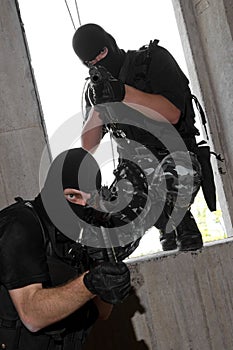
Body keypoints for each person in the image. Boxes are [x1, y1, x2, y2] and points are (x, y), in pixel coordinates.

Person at [72, 23, 205, 252]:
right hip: (134, 174)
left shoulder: (151, 61)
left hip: (175, 159)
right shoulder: (95, 88)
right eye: (89, 63)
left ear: (110, 44)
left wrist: (123, 93)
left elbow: (173, 114)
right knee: (110, 234)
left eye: (101, 54)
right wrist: (98, 106)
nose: (97, 63)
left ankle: (177, 219)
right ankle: (164, 223)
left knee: (177, 172)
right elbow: (89, 145)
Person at [0, 147, 132, 350]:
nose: (80, 206)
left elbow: (102, 312)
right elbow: (31, 315)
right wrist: (89, 282)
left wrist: (108, 270)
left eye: (89, 200)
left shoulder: (79, 234)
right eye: (72, 196)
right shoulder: (20, 225)